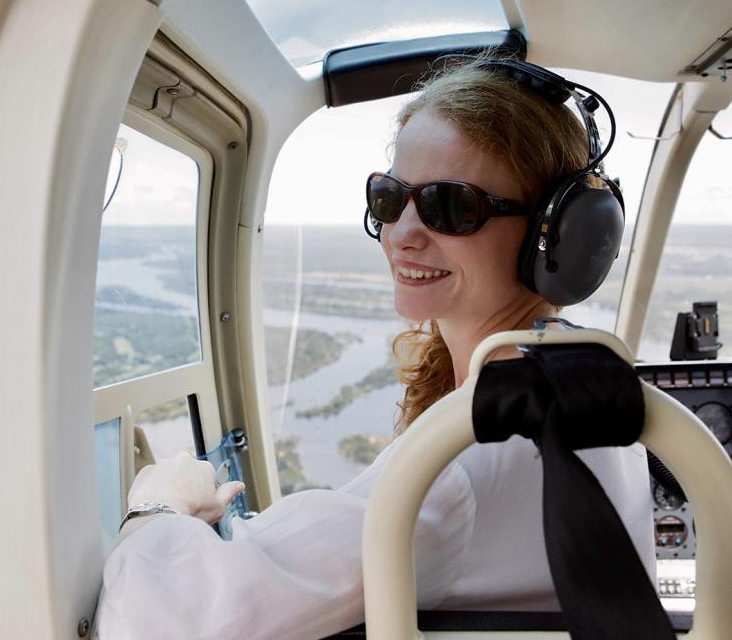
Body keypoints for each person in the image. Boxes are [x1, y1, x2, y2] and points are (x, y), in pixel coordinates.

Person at [94, 59, 655, 639]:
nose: (401, 233)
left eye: (453, 206)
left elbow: (150, 622)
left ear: (554, 235)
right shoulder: (589, 388)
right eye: (390, 198)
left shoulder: (465, 455)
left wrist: (157, 505)